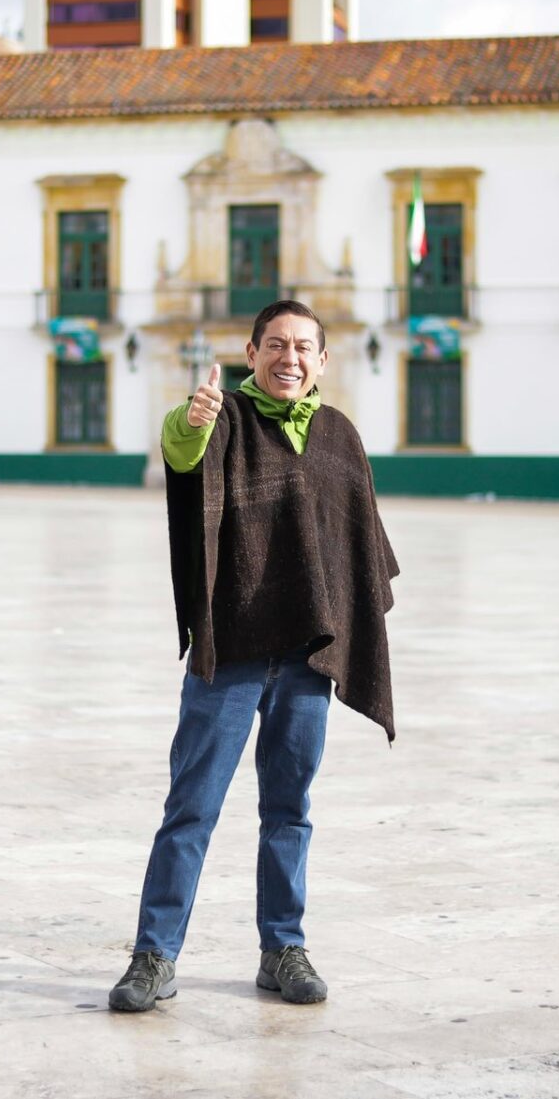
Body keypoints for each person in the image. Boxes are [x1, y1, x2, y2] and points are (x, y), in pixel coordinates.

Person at [108, 299, 399, 1014]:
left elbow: (355, 548)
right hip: (232, 651)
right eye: (275, 344)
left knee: (289, 808)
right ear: (251, 351)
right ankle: (154, 954)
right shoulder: (224, 420)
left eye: (303, 346)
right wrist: (192, 419)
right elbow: (181, 446)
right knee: (192, 806)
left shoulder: (338, 437)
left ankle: (283, 947)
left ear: (323, 361)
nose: (288, 357)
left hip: (306, 655)